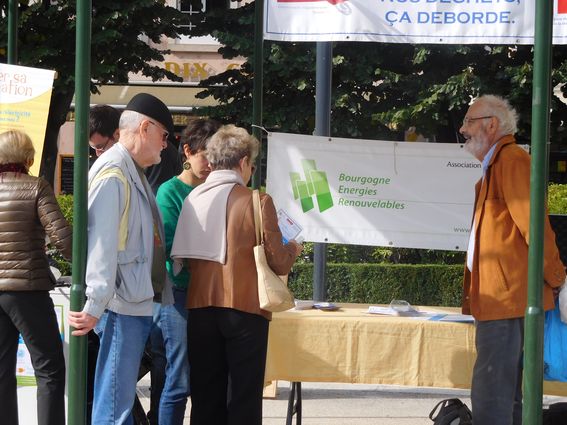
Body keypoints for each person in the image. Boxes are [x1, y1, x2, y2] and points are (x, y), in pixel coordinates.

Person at [171, 125, 302, 425]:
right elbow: (279, 262)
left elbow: (183, 259)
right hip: (246, 311)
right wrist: (293, 246)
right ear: (243, 162)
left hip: (200, 309)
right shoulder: (258, 201)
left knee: (205, 397)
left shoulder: (193, 198)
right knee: (243, 397)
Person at [68, 93, 174, 424]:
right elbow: (102, 243)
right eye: (164, 135)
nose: (165, 145)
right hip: (120, 306)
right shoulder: (115, 173)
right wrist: (96, 302)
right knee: (114, 408)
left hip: (128, 303)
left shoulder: (128, 170)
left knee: (117, 404)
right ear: (145, 128)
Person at [460, 94, 566, 425]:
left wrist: (558, 278)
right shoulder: (498, 164)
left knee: (493, 392)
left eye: (469, 121)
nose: (462, 130)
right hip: (503, 298)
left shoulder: (512, 161)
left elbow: (535, 227)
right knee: (506, 394)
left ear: (492, 125)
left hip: (506, 299)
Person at [150, 118, 221, 424]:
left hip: (208, 296)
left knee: (204, 378)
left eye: (216, 157)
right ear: (188, 151)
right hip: (177, 295)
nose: (210, 164)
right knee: (177, 380)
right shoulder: (169, 192)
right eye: (205, 155)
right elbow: (166, 244)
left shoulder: (216, 191)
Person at [0, 129, 72, 425]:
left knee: (2, 371)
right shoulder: (36, 187)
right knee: (49, 368)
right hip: (27, 289)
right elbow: (63, 239)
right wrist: (81, 267)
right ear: (28, 156)